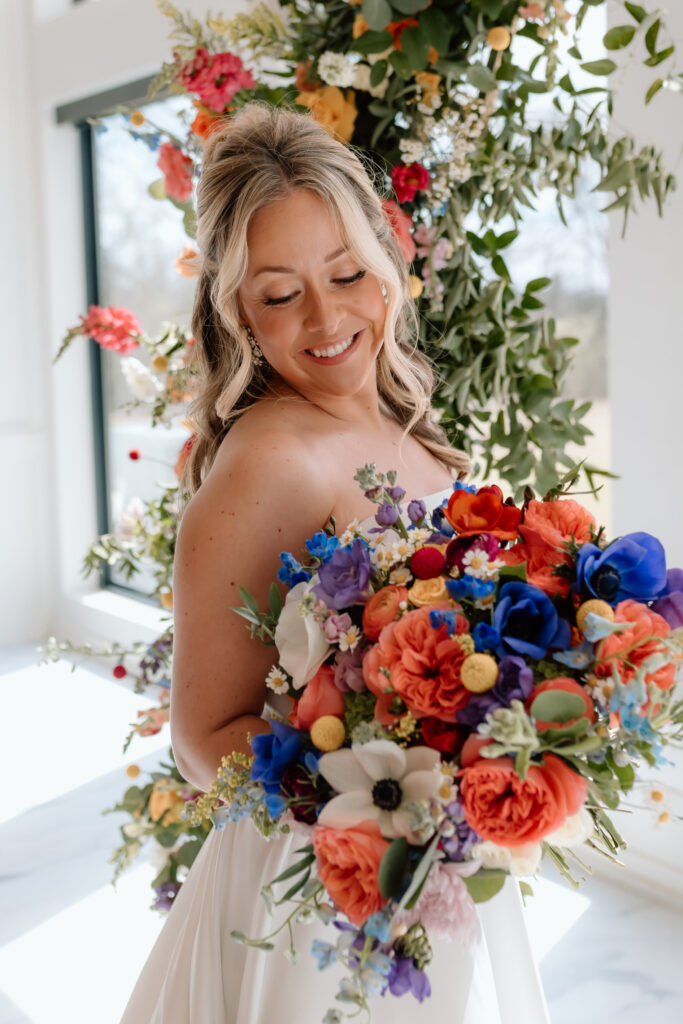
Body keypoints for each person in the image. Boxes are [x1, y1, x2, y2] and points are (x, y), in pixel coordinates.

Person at [120, 103, 550, 1024]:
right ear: (238, 310)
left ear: (387, 263)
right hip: (327, 885)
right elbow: (203, 742)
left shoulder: (396, 415)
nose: (325, 318)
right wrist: (386, 779)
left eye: (347, 273)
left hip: (434, 855)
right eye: (279, 294)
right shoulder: (266, 463)